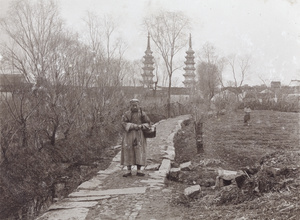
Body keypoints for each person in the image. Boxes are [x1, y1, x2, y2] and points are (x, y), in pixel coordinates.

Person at [121, 99, 151, 177]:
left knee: (139, 151)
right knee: (128, 150)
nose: (134, 107)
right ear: (130, 106)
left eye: (136, 105)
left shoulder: (142, 114)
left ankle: (139, 170)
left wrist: (141, 126)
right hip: (129, 135)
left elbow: (148, 123)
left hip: (140, 134)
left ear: (139, 105)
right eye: (133, 105)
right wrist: (132, 126)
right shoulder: (126, 114)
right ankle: (128, 170)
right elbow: (123, 123)